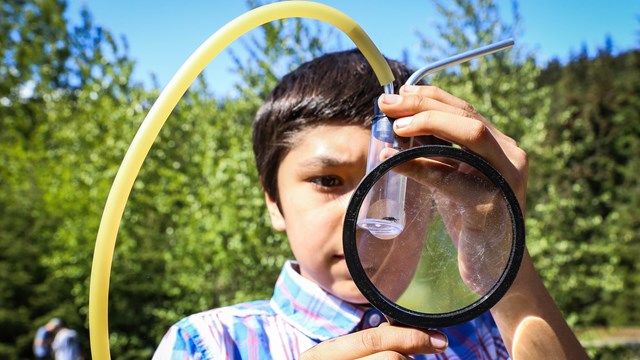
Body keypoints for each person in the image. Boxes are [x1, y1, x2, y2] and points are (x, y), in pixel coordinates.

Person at [153, 49, 588, 359]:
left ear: (438, 198)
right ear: (273, 202)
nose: (364, 216)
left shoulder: (494, 338)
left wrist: (504, 260)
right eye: (327, 180)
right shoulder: (208, 345)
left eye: (396, 182)